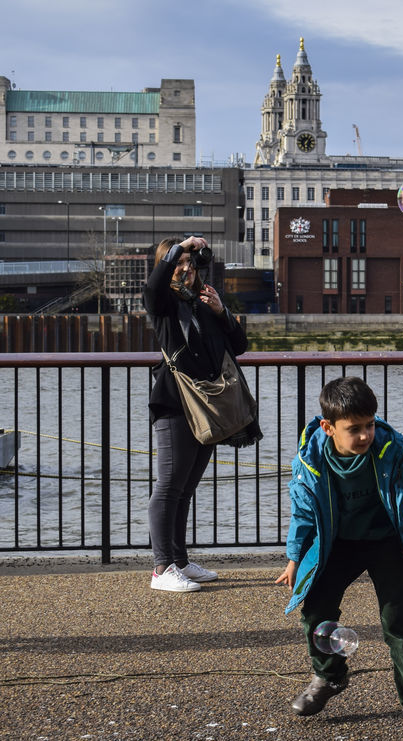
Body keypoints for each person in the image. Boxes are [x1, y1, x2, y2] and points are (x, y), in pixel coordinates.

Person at [275, 376, 403, 741]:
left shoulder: (395, 449)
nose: (366, 435)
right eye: (354, 429)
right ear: (328, 427)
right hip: (337, 544)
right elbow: (303, 513)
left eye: (369, 425)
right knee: (315, 612)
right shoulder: (309, 462)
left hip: (389, 540)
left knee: (397, 621)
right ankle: (330, 676)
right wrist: (294, 558)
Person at [144, 234, 258, 592]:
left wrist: (221, 311)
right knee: (167, 487)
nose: (187, 268)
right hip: (176, 403)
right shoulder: (162, 304)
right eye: (179, 263)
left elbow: (239, 346)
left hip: (210, 405)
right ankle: (161, 569)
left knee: (185, 487)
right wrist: (181, 246)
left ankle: (179, 561)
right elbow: (152, 287)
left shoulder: (201, 303)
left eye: (191, 263)